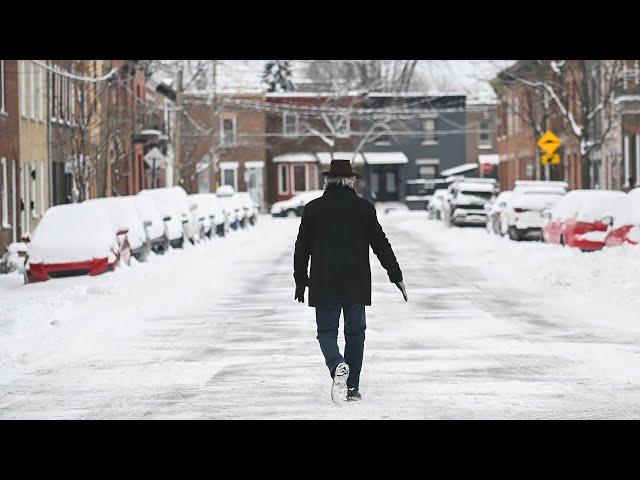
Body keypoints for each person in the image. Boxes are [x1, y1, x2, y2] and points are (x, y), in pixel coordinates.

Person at [293, 158, 407, 404]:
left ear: (328, 180)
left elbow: (301, 247)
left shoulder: (313, 208)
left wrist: (300, 279)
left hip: (323, 281)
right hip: (356, 281)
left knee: (326, 332)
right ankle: (352, 388)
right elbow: (380, 244)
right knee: (356, 334)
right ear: (351, 180)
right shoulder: (363, 208)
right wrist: (395, 274)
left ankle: (337, 365)